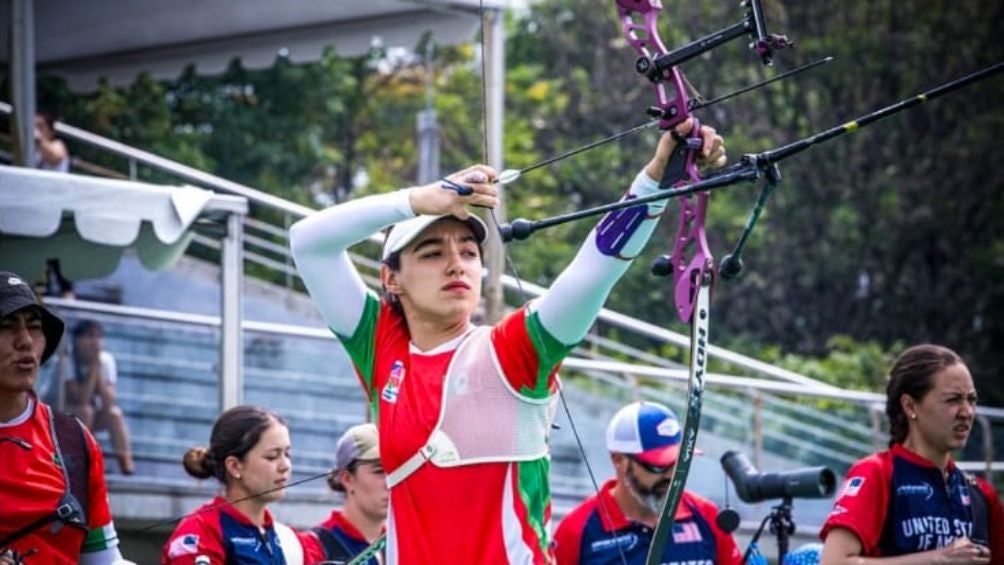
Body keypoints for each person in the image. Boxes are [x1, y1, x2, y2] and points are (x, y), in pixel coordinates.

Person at [289, 118, 725, 563]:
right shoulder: (382, 347)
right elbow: (306, 242)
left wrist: (654, 182)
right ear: (391, 279)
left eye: (468, 251)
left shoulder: (511, 351)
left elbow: (595, 270)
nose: (456, 264)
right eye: (433, 253)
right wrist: (417, 200)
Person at [819, 344, 1004, 565]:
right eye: (953, 400)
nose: (967, 412)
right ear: (909, 406)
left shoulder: (981, 494)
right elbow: (833, 562)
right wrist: (937, 559)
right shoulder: (877, 473)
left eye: (971, 400)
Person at [0, 271, 125, 564]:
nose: (26, 341)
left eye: (34, 327)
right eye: (7, 326)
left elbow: (102, 559)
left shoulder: (74, 440)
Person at [552, 401, 742, 564]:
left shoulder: (706, 515)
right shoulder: (577, 529)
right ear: (619, 461)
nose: (671, 476)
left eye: (677, 463)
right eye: (658, 466)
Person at [161, 405, 326, 565]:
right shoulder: (200, 533)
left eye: (287, 454)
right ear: (234, 466)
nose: (285, 466)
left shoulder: (293, 541)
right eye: (272, 456)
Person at [62, 320, 134, 475]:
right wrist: (94, 370)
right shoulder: (67, 360)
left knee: (115, 414)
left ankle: (127, 466)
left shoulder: (106, 360)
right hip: (62, 412)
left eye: (98, 336)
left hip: (91, 413)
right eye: (89, 336)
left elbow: (109, 401)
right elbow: (80, 398)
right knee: (85, 411)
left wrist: (98, 369)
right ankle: (83, 462)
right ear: (77, 340)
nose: (95, 342)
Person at [313, 423, 387, 564]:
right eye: (379, 471)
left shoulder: (403, 543)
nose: (390, 482)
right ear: (347, 478)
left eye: (395, 471)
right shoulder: (316, 545)